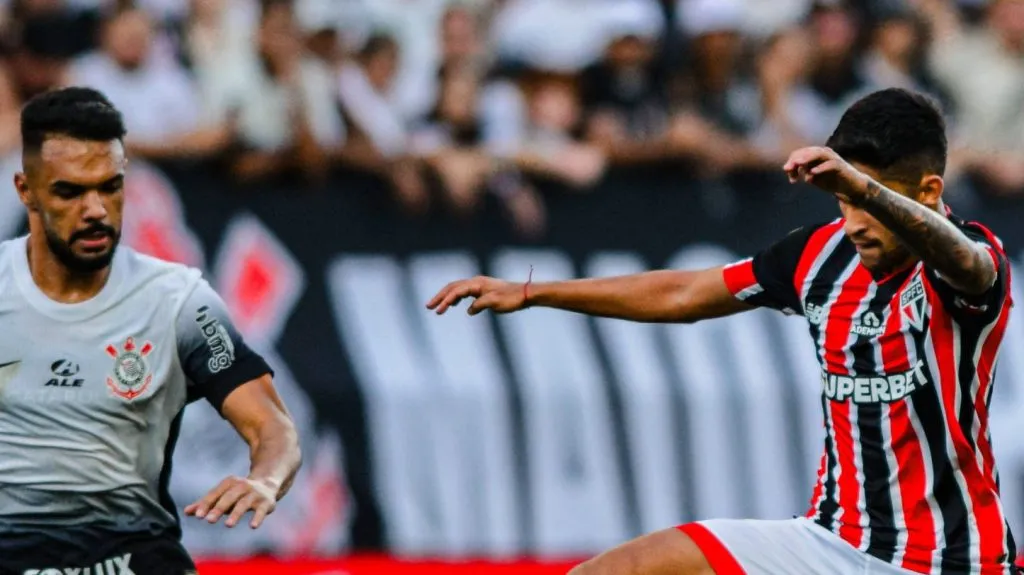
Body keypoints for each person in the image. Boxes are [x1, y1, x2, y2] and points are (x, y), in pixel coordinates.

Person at [427, 88, 1017, 575]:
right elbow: (685, 293)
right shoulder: (816, 258)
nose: (854, 222)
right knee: (612, 572)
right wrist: (535, 293)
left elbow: (963, 261)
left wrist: (865, 189)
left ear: (928, 191)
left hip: (952, 561)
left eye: (868, 202)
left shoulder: (971, 261)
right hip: (830, 543)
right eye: (842, 200)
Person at [0, 87, 302, 574]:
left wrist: (265, 480)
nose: (96, 209)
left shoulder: (178, 300)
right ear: (26, 190)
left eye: (110, 187)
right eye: (70, 191)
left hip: (134, 560)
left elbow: (274, 427)